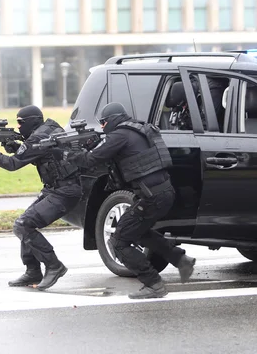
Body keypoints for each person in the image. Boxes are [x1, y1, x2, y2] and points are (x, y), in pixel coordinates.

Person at [68, 102, 196, 299]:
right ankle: (180, 259)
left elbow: (90, 161)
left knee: (119, 241)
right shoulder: (140, 129)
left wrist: (75, 152)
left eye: (103, 123)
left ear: (111, 120)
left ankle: (153, 283)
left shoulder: (119, 135)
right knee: (138, 232)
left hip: (151, 197)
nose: (102, 127)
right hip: (163, 193)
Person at [0, 105, 81, 291]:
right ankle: (33, 271)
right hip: (58, 188)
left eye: (21, 122)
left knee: (23, 225)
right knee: (24, 223)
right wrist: (16, 147)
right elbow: (41, 156)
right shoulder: (49, 130)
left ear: (33, 121)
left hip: (64, 192)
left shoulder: (38, 137)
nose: (19, 127)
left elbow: (12, 164)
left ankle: (54, 265)